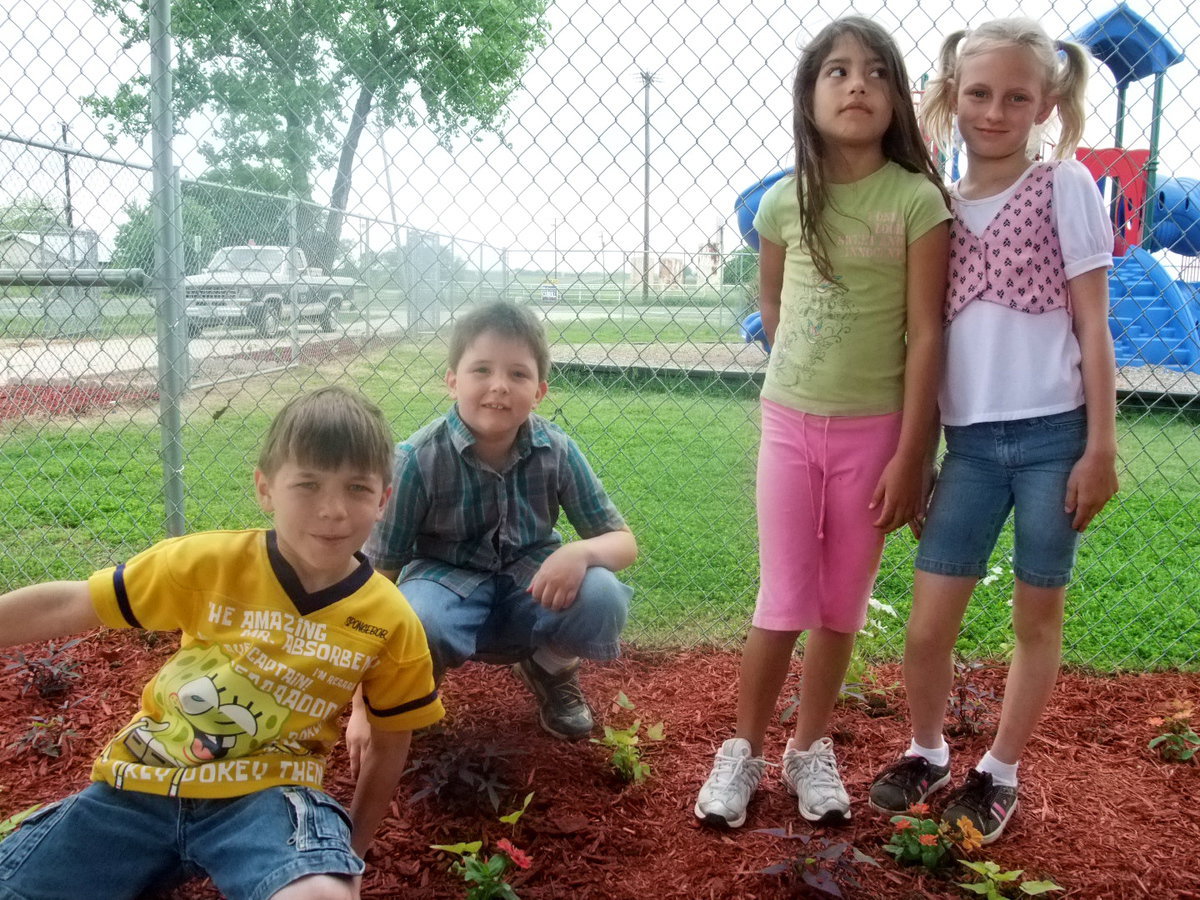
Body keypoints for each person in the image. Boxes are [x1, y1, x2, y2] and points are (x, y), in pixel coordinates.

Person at [0, 386, 444, 899]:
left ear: (384, 499)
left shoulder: (390, 619)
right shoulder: (204, 564)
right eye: (307, 484)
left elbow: (391, 743)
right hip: (142, 782)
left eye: (358, 489)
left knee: (319, 894)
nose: (333, 510)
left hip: (269, 797)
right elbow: (75, 603)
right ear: (265, 489)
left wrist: (355, 852)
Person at [694, 16, 951, 829]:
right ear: (809, 95)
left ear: (898, 98)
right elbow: (770, 302)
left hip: (876, 437)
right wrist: (798, 369)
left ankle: (810, 747)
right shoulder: (784, 201)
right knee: (782, 598)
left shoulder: (917, 201)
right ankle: (743, 751)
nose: (856, 85)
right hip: (790, 427)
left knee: (840, 604)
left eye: (876, 72)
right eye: (836, 71)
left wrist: (914, 454)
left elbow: (928, 333)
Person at [867, 19, 1119, 845]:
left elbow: (1093, 328)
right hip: (970, 448)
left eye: (1018, 96)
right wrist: (923, 453)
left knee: (1035, 619)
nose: (996, 110)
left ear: (1047, 102)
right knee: (927, 623)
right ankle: (927, 750)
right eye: (979, 93)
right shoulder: (932, 202)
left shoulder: (1065, 187)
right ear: (952, 95)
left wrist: (1101, 447)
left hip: (1054, 441)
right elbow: (926, 342)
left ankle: (999, 772)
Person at [352, 300, 636, 745]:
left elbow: (623, 542)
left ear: (539, 391)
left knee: (602, 594)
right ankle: (413, 689)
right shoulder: (415, 460)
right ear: (452, 381)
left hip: (530, 581)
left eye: (518, 374)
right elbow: (378, 579)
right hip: (445, 585)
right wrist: (362, 703)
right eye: (481, 370)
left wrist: (579, 552)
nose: (499, 386)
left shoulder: (556, 450)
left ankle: (550, 667)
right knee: (414, 615)